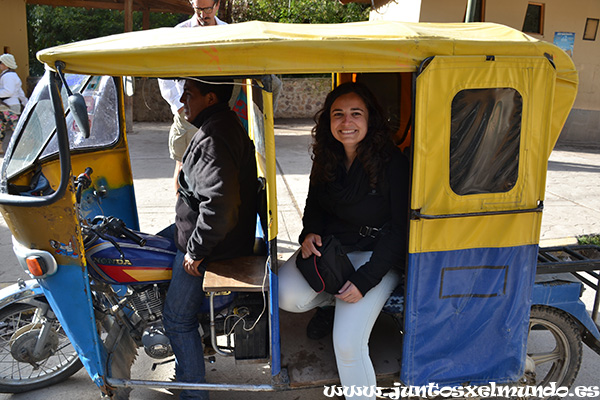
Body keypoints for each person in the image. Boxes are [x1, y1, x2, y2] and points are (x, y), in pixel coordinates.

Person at [278, 82, 409, 399]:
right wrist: (308, 233)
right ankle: (334, 303)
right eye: (338, 114)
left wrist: (365, 280)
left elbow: (400, 230)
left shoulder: (393, 163)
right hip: (335, 251)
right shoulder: (327, 157)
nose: (346, 122)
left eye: (355, 113)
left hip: (378, 257)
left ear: (370, 119)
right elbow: (314, 206)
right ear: (328, 121)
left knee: (348, 344)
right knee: (286, 296)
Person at [162, 77, 258, 400]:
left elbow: (221, 205)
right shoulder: (220, 123)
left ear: (210, 97)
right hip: (214, 235)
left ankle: (192, 391)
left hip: (214, 247)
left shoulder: (214, 136)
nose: (182, 101)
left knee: (176, 319)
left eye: (188, 95)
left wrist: (195, 251)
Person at [158, 0, 228, 191]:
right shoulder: (179, 33)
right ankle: (182, 217)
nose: (202, 15)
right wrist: (178, 106)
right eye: (198, 9)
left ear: (217, 5)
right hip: (187, 113)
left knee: (217, 165)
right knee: (183, 167)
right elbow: (163, 74)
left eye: (207, 9)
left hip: (217, 111)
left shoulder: (228, 32)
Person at [0, 53, 27, 154]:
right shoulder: (12, 75)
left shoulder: (8, 76)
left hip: (8, 106)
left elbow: (9, 91)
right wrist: (26, 103)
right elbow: (20, 92)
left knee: (15, 128)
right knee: (9, 128)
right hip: (8, 106)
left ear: (6, 64)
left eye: (1, 63)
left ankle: (24, 147)